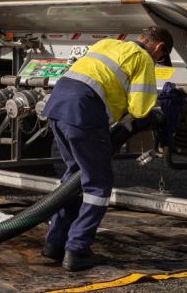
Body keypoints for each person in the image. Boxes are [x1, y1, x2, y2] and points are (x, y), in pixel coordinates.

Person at [41, 26, 173, 271]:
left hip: (57, 106)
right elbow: (140, 108)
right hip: (83, 113)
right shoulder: (142, 57)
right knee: (97, 184)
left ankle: (54, 244)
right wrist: (157, 115)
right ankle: (77, 251)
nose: (157, 62)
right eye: (161, 59)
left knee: (73, 178)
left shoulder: (108, 44)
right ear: (159, 48)